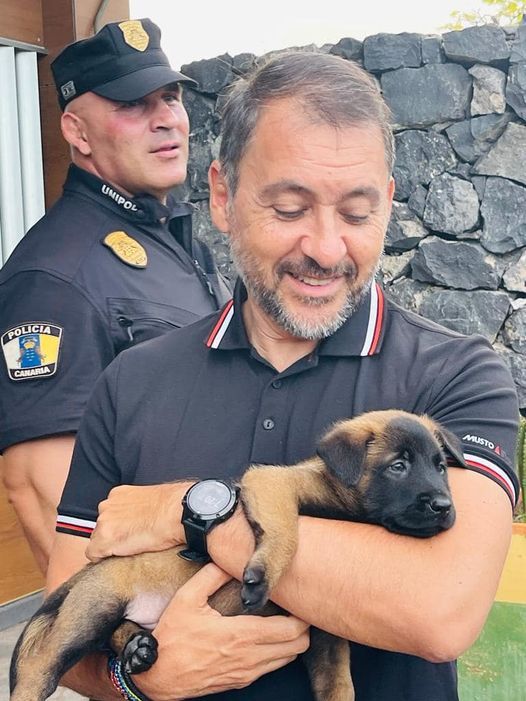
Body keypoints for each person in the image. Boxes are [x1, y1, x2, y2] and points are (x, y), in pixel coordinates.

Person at [47, 51, 519, 701]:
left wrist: (192, 510)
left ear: (388, 204)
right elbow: (59, 627)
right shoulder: (131, 383)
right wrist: (140, 673)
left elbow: (440, 610)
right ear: (222, 195)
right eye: (290, 207)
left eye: (355, 212)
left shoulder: (457, 376)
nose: (326, 248)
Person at [0, 18, 231, 573]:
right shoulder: (55, 276)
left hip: (217, 563)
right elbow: (41, 495)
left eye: (170, 98)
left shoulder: (177, 242)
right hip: (161, 607)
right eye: (133, 106)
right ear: (77, 133)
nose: (167, 121)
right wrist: (122, 651)